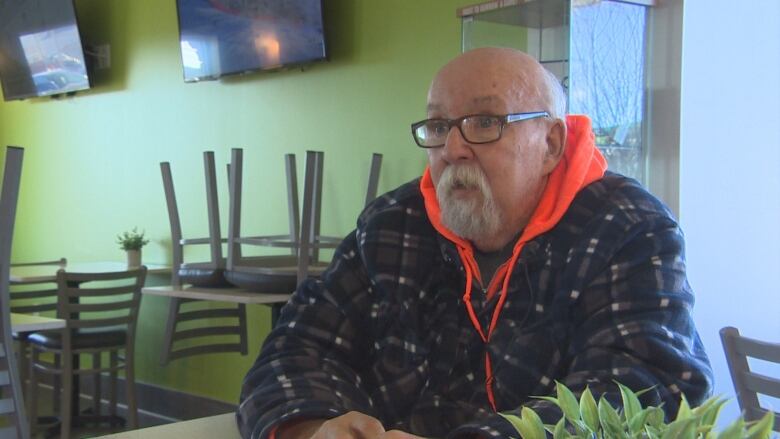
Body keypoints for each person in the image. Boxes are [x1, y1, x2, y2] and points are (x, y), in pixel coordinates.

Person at [237, 47, 713, 439]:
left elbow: (643, 393)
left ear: (550, 144)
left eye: (485, 122)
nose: (452, 149)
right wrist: (313, 426)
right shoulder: (390, 225)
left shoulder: (629, 227)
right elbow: (297, 346)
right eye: (440, 126)